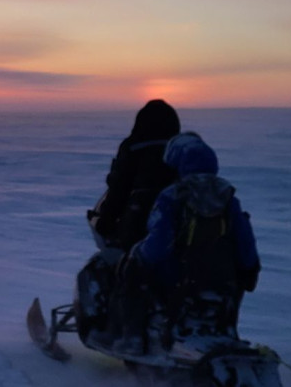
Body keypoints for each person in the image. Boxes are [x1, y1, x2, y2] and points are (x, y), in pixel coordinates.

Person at [103, 131, 261, 355]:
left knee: (133, 264)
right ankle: (225, 332)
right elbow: (246, 241)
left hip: (179, 276)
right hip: (221, 279)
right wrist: (249, 269)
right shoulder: (228, 198)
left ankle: (132, 338)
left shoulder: (172, 196)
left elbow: (158, 245)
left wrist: (138, 255)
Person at [93, 100, 182, 251]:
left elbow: (119, 187)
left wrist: (105, 223)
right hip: (180, 228)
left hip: (138, 227)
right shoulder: (182, 147)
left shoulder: (132, 147)